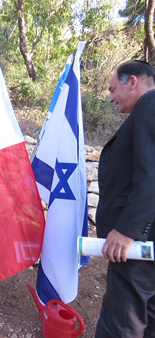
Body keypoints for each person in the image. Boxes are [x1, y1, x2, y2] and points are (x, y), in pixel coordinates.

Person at [95, 60, 155, 337]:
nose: (110, 98)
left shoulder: (148, 106)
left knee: (123, 322)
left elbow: (150, 174)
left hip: (135, 247)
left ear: (132, 82)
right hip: (147, 245)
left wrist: (128, 231)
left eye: (112, 89)